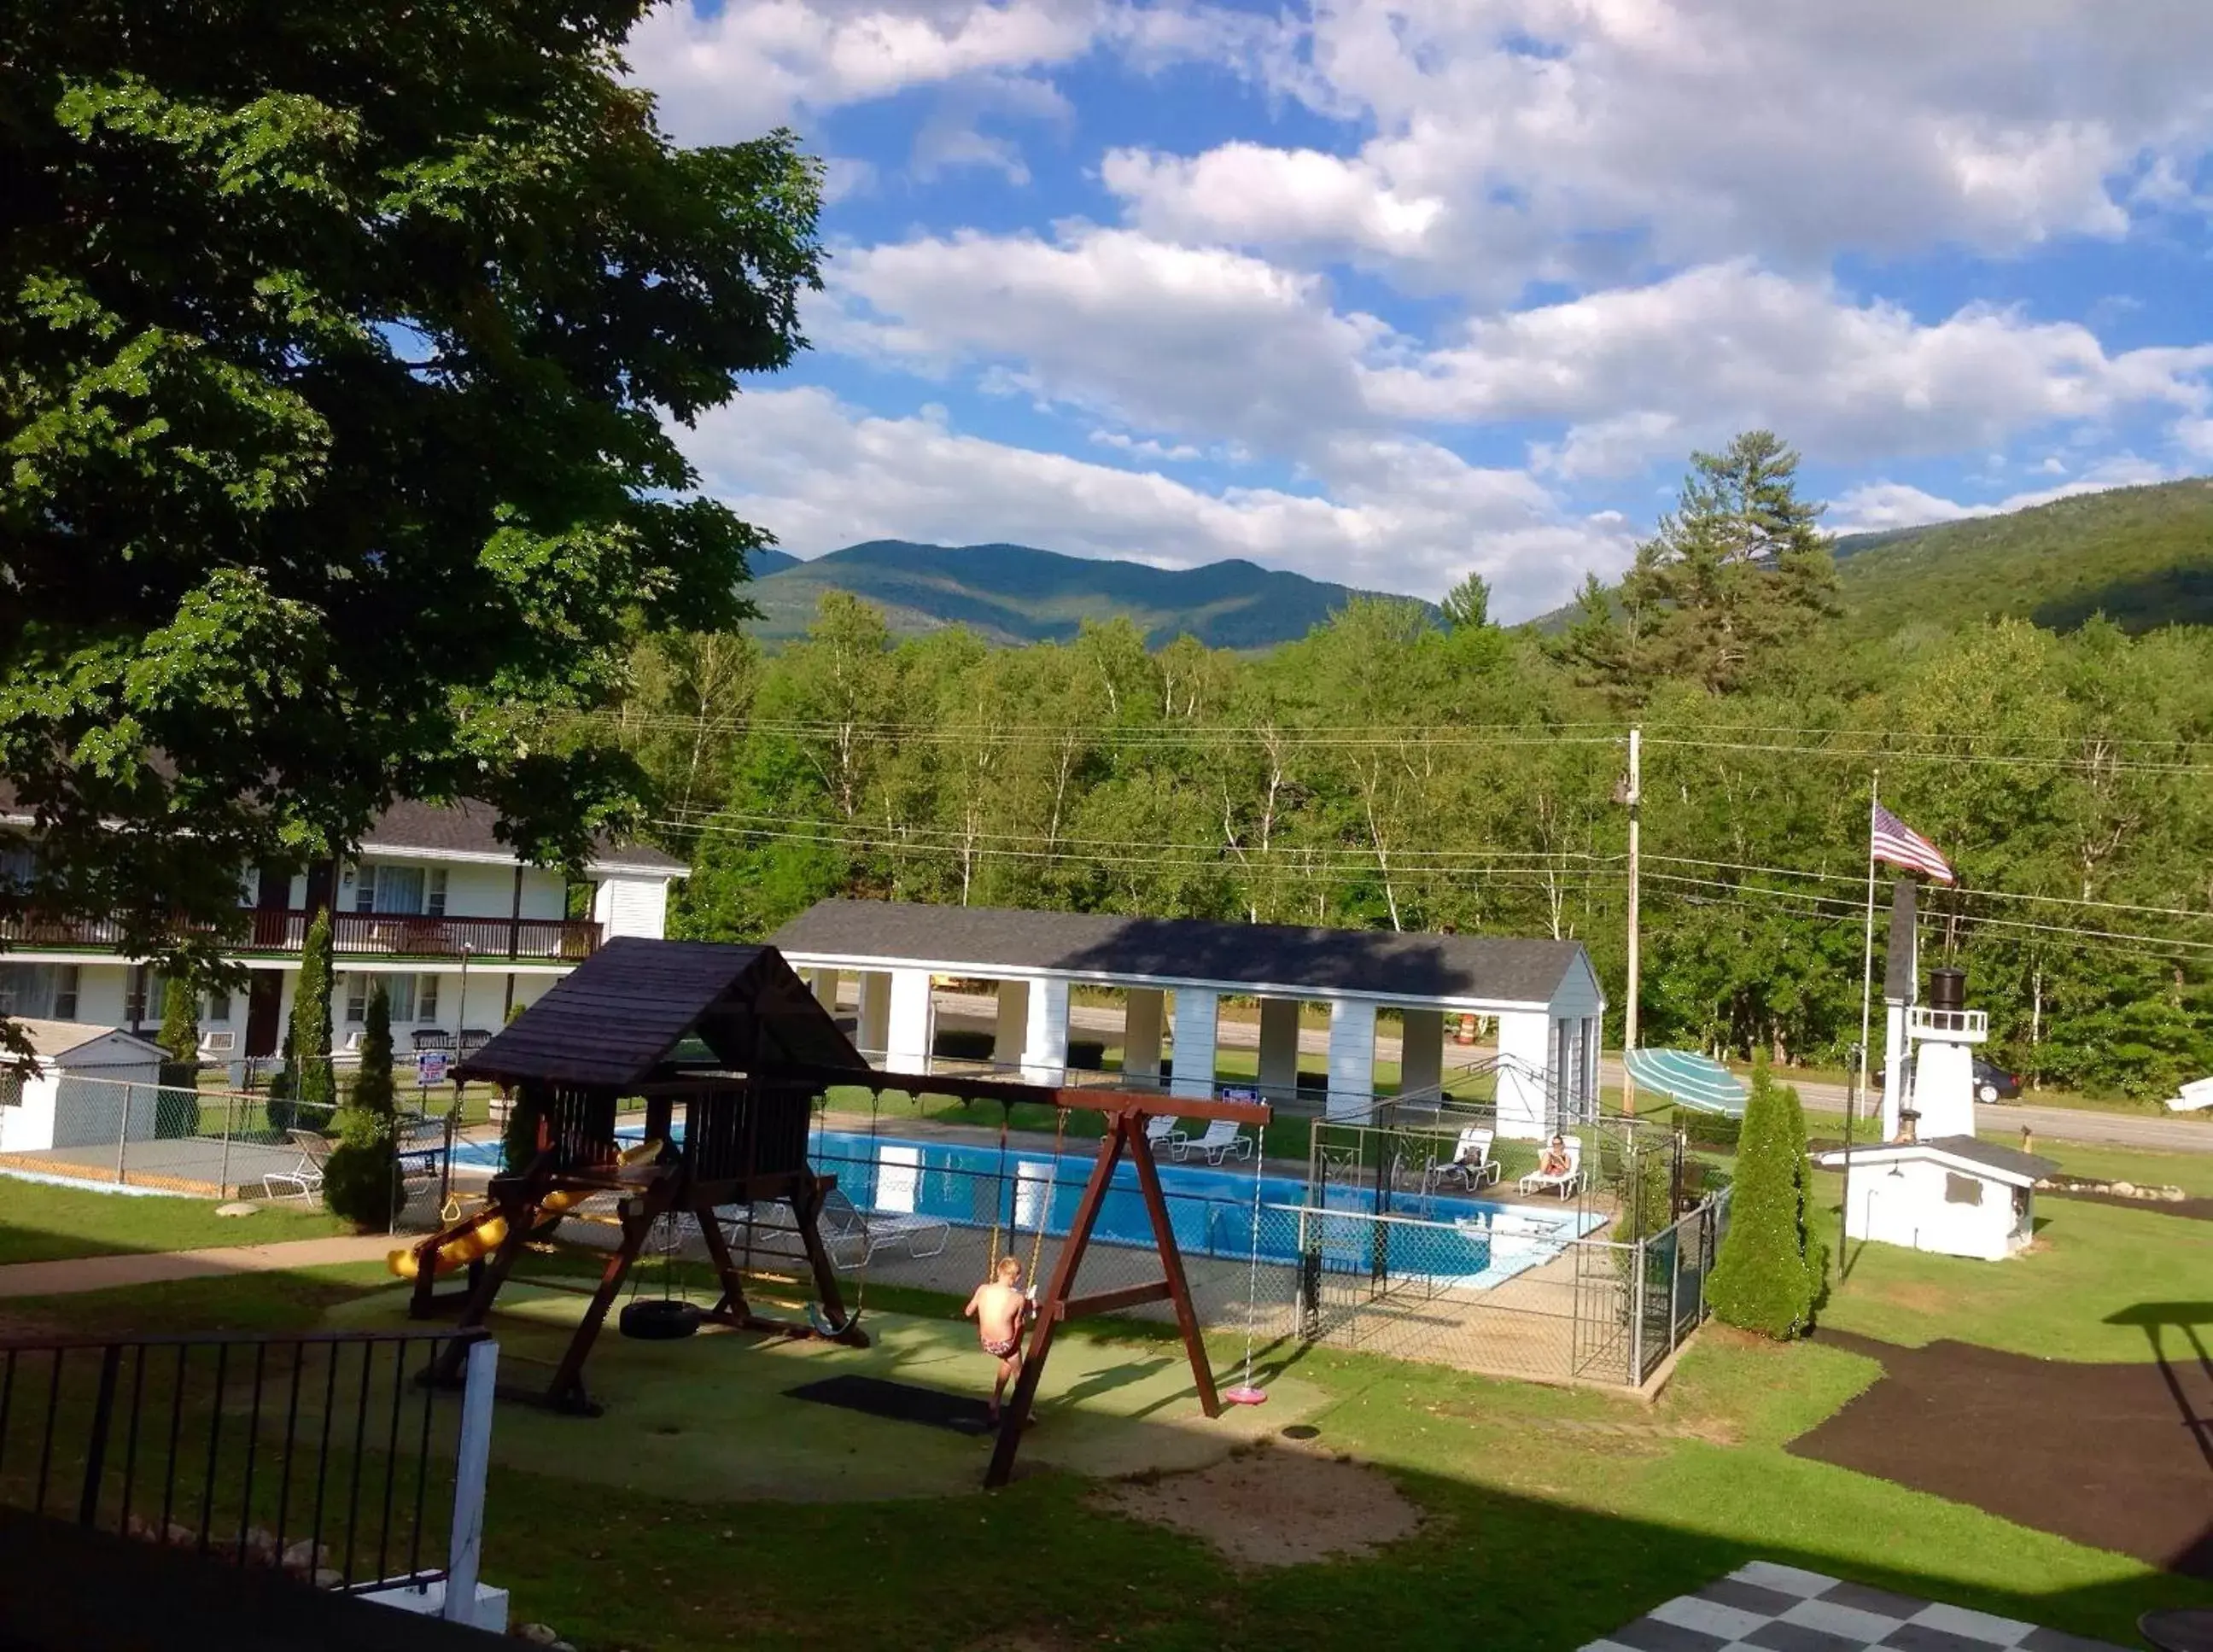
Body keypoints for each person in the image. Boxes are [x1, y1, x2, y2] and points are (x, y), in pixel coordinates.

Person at [964, 1254, 1030, 1422]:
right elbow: (1018, 1323)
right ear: (1017, 1277)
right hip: (1005, 1344)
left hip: (986, 1343)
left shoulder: (983, 1289)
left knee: (1007, 1361)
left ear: (998, 1272)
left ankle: (995, 1400)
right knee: (1020, 1373)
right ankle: (1024, 1410)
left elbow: (968, 1311)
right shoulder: (1018, 1298)